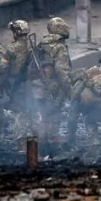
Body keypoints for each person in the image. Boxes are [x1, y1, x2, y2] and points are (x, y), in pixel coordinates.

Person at [28, 17, 72, 150]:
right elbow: (61, 71)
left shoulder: (40, 45)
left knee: (39, 117)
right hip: (52, 88)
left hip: (36, 88)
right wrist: (69, 90)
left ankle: (35, 152)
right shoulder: (59, 47)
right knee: (53, 116)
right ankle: (52, 149)